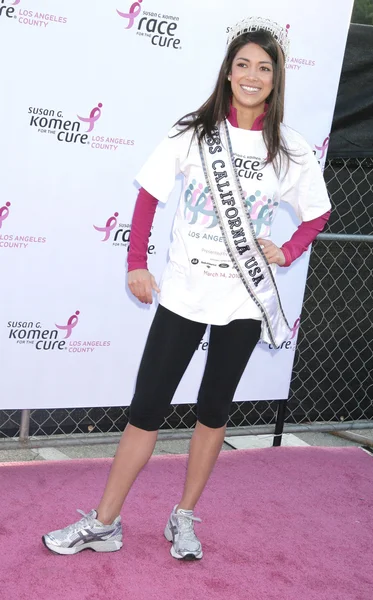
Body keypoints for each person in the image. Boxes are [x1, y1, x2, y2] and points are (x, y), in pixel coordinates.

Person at [42, 16, 331, 561]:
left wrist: (287, 250)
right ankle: (105, 523)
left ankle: (183, 517)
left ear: (276, 79)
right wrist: (136, 262)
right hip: (182, 293)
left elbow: (316, 215)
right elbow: (149, 195)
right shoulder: (193, 132)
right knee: (146, 408)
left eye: (263, 68)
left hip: (242, 301)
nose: (251, 76)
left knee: (213, 411)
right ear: (227, 72)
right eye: (242, 64)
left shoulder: (289, 149)